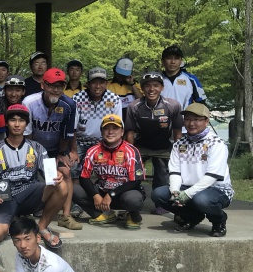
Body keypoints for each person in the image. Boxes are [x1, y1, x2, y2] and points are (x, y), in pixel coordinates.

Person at [0, 104, 66, 248]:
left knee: (61, 186)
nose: (17, 124)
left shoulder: (37, 147)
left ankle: (42, 227)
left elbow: (50, 175)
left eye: (21, 120)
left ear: (26, 124)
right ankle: (15, 220)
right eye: (13, 120)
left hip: (30, 194)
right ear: (7, 123)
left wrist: (57, 175)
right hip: (4, 198)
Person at [151, 103, 233, 237]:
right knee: (158, 194)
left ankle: (219, 220)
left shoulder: (216, 143)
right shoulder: (179, 143)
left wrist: (188, 194)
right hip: (187, 187)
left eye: (197, 119)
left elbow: (211, 176)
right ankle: (192, 216)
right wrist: (175, 191)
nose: (191, 123)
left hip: (216, 189)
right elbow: (175, 171)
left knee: (201, 200)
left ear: (206, 121)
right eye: (188, 119)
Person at [23, 68, 82, 231]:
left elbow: (67, 133)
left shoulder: (69, 104)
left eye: (60, 86)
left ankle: (66, 216)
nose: (56, 90)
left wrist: (61, 154)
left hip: (54, 150)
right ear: (43, 85)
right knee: (31, 174)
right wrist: (35, 158)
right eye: (52, 86)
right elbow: (27, 134)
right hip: (32, 148)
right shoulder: (29, 102)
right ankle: (27, 211)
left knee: (66, 172)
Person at [73, 114, 146, 229]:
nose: (110, 132)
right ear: (101, 132)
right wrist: (95, 195)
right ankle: (104, 215)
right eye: (106, 128)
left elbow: (136, 181)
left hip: (124, 193)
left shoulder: (131, 151)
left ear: (122, 132)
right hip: (102, 194)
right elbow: (84, 177)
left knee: (133, 200)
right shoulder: (93, 150)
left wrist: (111, 194)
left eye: (115, 128)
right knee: (73, 189)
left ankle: (133, 215)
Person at [125, 71, 183, 214]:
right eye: (147, 86)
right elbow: (130, 132)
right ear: (142, 89)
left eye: (156, 85)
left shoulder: (173, 105)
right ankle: (131, 201)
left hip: (163, 146)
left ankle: (161, 203)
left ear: (162, 88)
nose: (152, 89)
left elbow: (177, 131)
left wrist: (178, 151)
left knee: (162, 176)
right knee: (133, 173)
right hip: (141, 146)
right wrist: (132, 154)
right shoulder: (134, 106)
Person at [72, 66, 122, 173]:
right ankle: (76, 189)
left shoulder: (114, 99)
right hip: (80, 142)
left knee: (110, 170)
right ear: (88, 84)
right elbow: (72, 127)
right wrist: (73, 150)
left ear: (106, 83)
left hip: (104, 143)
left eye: (101, 82)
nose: (98, 86)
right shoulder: (77, 98)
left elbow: (118, 126)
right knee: (72, 168)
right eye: (94, 82)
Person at [160, 45, 207, 109]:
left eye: (176, 58)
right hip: (159, 118)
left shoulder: (191, 79)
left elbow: (201, 103)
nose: (173, 62)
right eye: (169, 58)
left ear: (181, 61)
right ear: (162, 61)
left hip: (184, 118)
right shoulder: (155, 79)